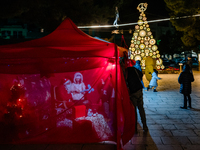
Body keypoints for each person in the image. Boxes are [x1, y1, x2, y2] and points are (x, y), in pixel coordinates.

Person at [126, 65, 148, 133]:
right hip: (139, 89)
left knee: (134, 110)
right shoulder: (134, 69)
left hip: (133, 92)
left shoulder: (125, 72)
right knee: (141, 109)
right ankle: (145, 126)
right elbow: (141, 74)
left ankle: (135, 128)